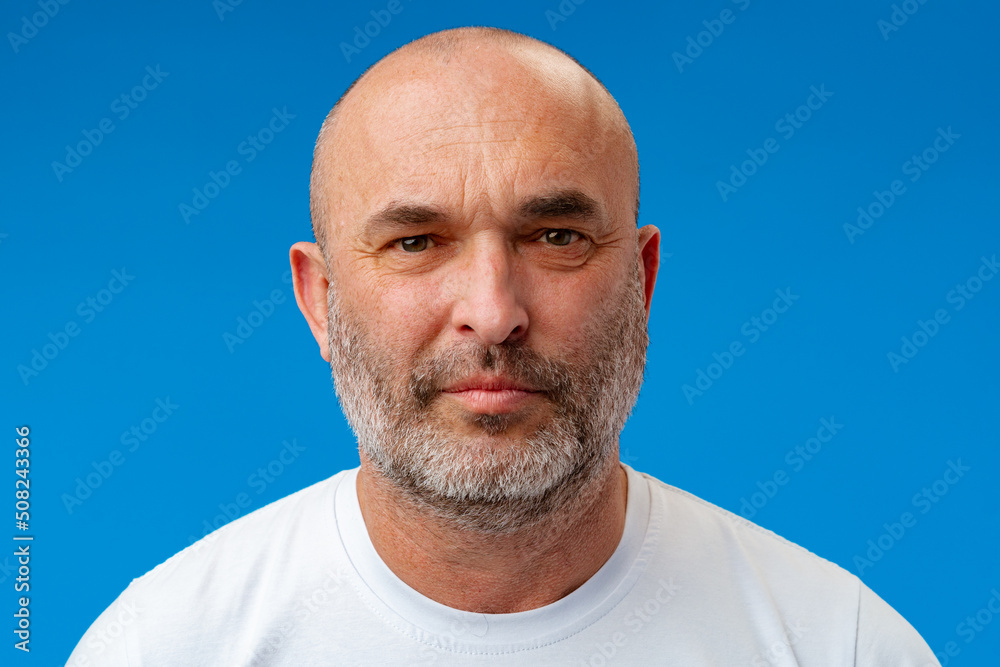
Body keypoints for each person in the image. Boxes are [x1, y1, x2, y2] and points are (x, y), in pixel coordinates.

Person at [68, 26, 939, 666]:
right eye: (416, 242)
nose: (493, 313)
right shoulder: (161, 645)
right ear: (321, 302)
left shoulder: (841, 645)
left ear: (641, 281)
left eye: (556, 236)